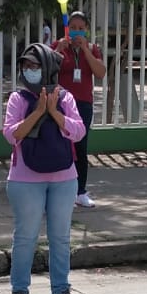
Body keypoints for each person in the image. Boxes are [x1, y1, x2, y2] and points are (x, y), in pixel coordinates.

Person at [3, 43, 87, 294]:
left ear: (48, 68)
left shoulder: (66, 98)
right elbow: (11, 134)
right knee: (26, 237)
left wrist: (54, 111)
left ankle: (60, 290)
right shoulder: (18, 99)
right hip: (25, 180)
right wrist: (39, 111)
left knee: (60, 237)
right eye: (26, 66)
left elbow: (78, 131)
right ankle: (19, 292)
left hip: (64, 178)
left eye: (35, 66)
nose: (30, 71)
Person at [54, 10, 105, 209]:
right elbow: (47, 70)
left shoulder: (92, 49)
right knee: (60, 145)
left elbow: (100, 72)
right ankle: (59, 190)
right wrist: (58, 49)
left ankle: (80, 191)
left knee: (81, 147)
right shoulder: (59, 46)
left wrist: (86, 51)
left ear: (87, 31)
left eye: (81, 29)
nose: (76, 32)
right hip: (60, 103)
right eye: (73, 28)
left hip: (83, 104)